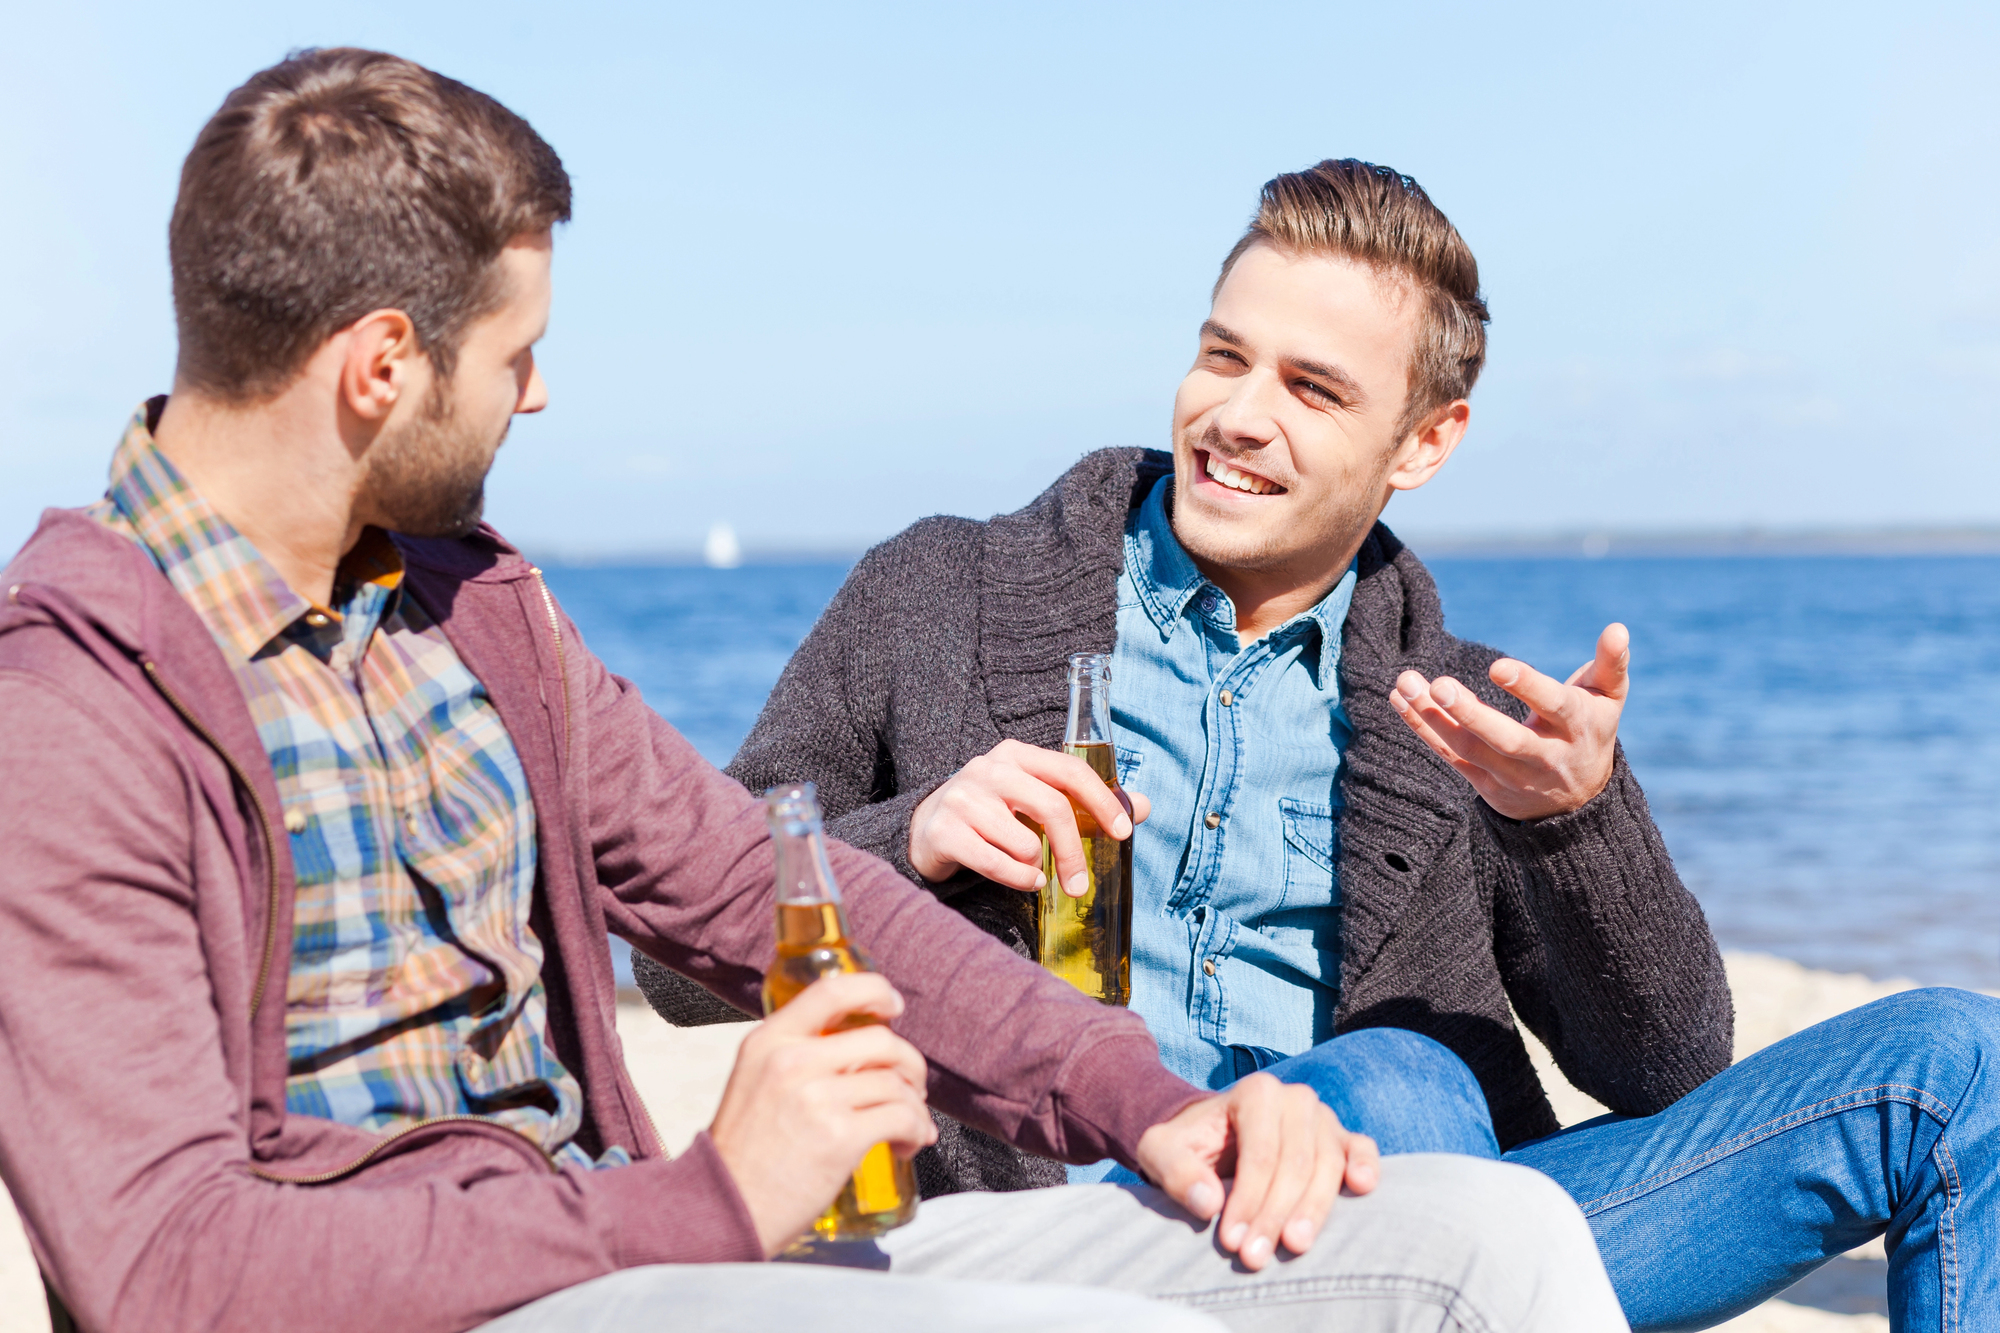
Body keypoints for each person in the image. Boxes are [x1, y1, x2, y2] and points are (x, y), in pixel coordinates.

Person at [0, 51, 1628, 1333]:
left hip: (648, 1258)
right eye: (513, 357)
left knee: (1492, 1235)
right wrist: (711, 1194)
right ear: (378, 368)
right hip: (526, 1285)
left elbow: (760, 874)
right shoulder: (74, 709)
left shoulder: (467, 609)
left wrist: (1140, 1101)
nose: (541, 392)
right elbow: (162, 1270)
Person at [636, 159, 2000, 1329]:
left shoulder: (1463, 707)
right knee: (1406, 1081)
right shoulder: (939, 592)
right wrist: (912, 837)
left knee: (1954, 1070)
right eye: (1223, 355)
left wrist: (1574, 824)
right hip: (1081, 1250)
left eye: (1310, 388)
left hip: (1456, 1243)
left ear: (1425, 441)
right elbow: (677, 957)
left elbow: (1674, 1073)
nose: (1238, 416)